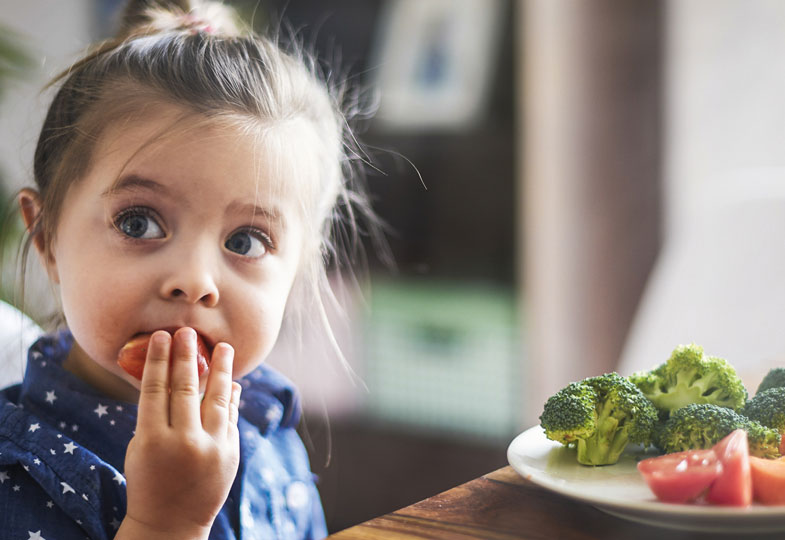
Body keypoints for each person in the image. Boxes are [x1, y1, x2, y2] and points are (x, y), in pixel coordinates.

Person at [0, 1, 375, 538]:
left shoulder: (272, 430)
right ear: (47, 238)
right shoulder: (15, 475)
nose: (195, 281)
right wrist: (164, 523)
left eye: (245, 240)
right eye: (138, 223)